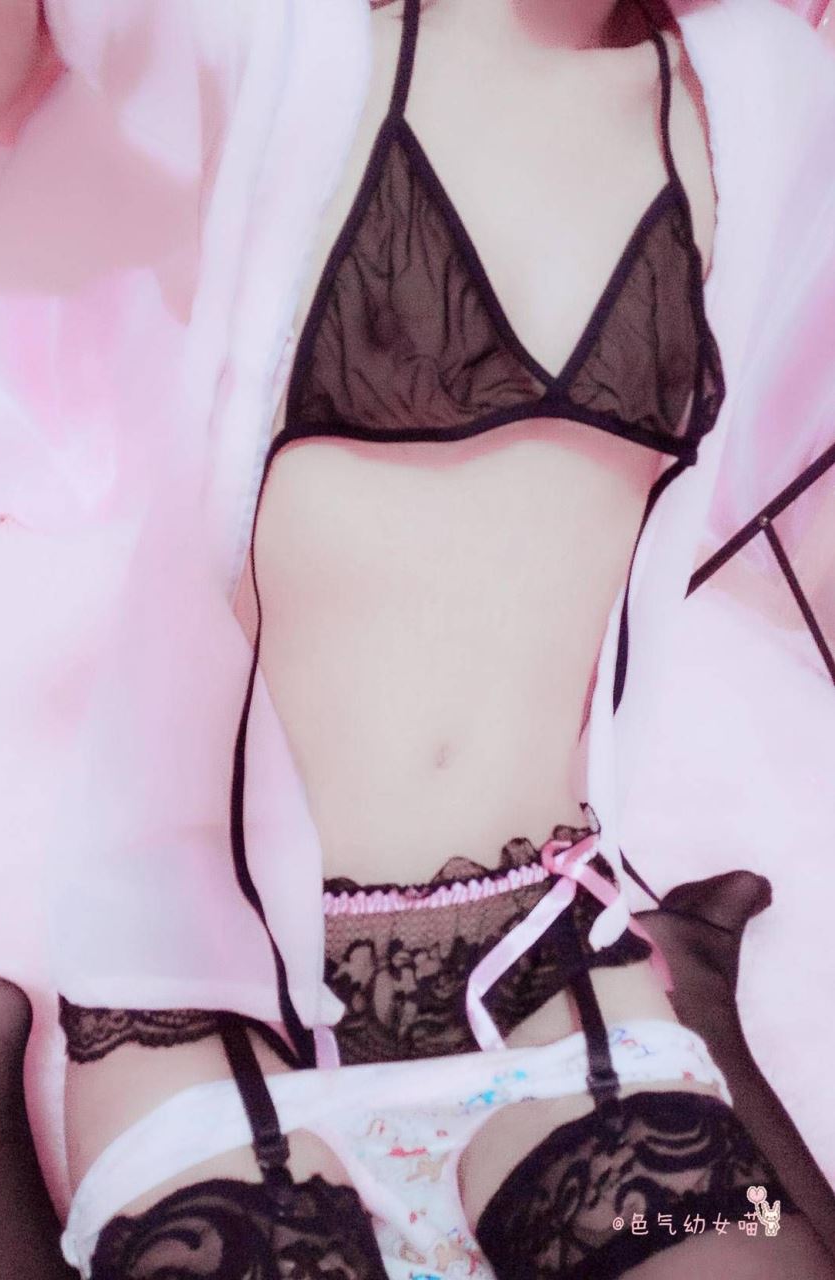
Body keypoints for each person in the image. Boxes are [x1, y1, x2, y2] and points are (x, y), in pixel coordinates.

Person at [55, 1, 835, 1277]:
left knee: (743, 1238)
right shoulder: (266, 40)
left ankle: (689, 982)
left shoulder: (757, 87)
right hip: (215, 998)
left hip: (547, 969)